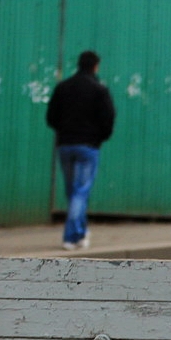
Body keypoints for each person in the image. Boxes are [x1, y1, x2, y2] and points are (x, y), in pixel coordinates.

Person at [46, 50, 115, 249]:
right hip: (88, 146)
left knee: (73, 191)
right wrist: (99, 138)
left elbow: (51, 117)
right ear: (95, 66)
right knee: (81, 192)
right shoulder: (99, 90)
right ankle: (70, 237)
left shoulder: (63, 87)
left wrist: (64, 131)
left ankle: (81, 232)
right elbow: (108, 118)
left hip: (65, 145)